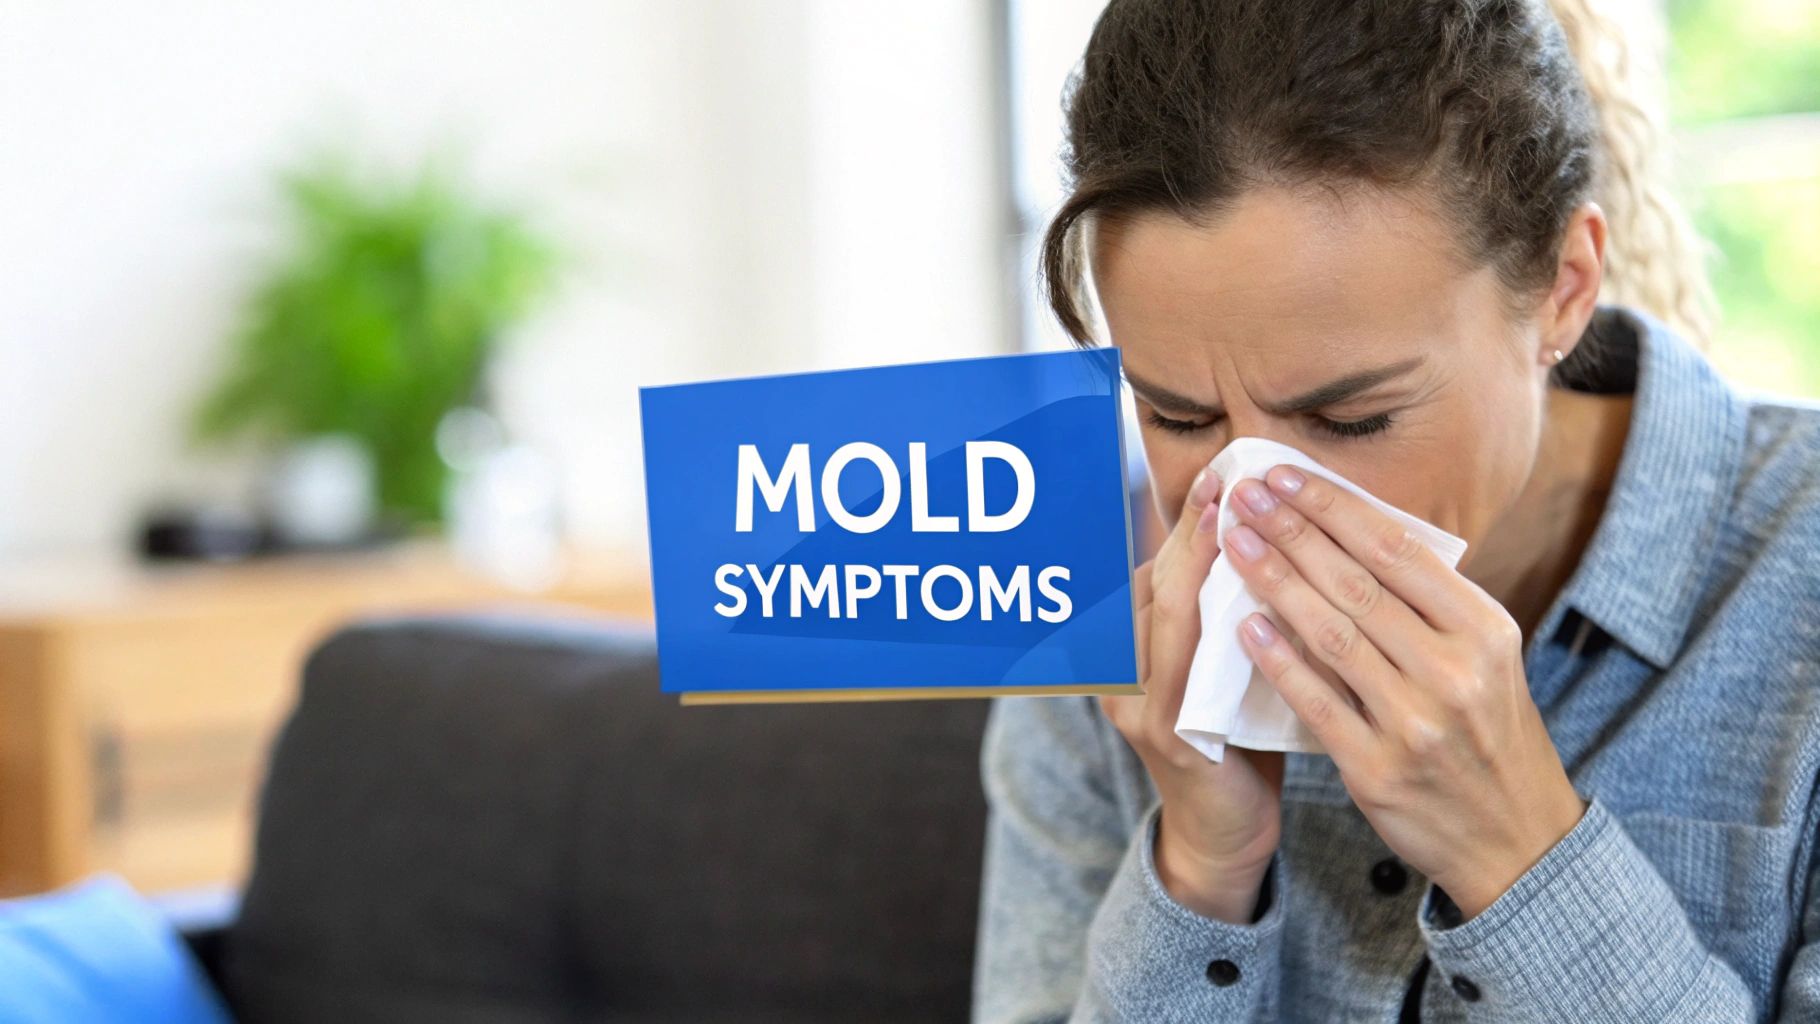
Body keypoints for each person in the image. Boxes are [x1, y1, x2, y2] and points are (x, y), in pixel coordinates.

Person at [970, 1, 1820, 1020]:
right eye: (1176, 414)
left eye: (1351, 415)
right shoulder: (1096, 650)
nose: (1256, 502)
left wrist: (1518, 851)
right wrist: (1196, 869)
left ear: (1561, 285)